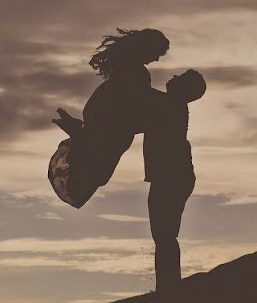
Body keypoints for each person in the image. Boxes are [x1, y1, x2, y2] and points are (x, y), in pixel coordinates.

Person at [49, 28, 169, 207]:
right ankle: (78, 138)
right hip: (110, 122)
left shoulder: (124, 67)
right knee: (98, 169)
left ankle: (78, 138)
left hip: (106, 121)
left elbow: (139, 99)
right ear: (145, 48)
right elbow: (140, 97)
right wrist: (170, 102)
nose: (157, 59)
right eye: (156, 53)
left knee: (98, 168)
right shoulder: (134, 71)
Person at [142, 69, 206, 293]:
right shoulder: (168, 105)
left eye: (181, 78)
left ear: (184, 89)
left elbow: (138, 94)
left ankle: (168, 288)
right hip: (173, 176)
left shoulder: (169, 104)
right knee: (164, 234)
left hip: (172, 176)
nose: (174, 77)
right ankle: (168, 286)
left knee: (164, 234)